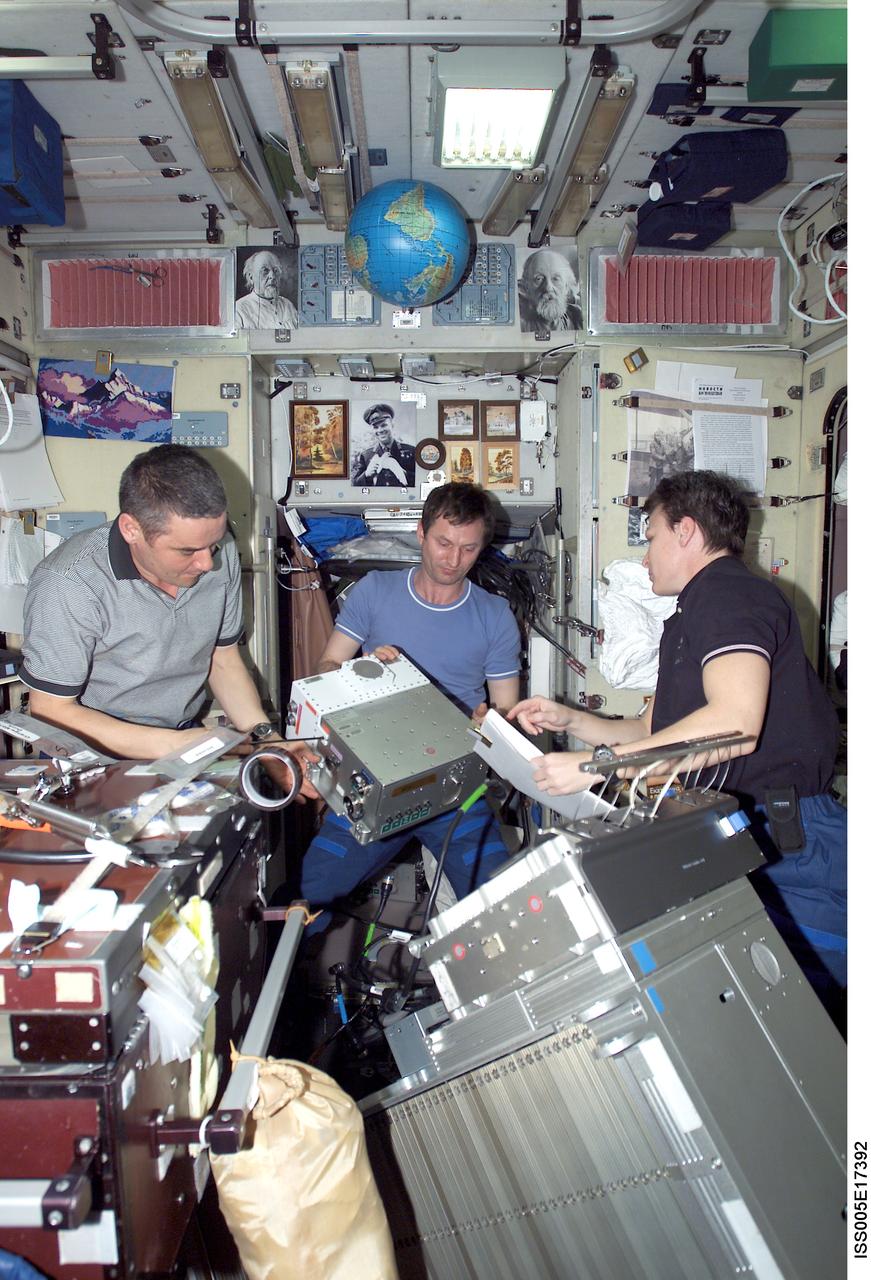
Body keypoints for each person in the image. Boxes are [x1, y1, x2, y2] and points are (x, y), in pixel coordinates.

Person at [509, 470, 846, 1026]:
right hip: (743, 831)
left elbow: (735, 723)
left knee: (813, 1023)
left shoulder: (729, 594)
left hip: (793, 844)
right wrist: (570, 719)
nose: (645, 558)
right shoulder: (691, 615)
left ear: (686, 531)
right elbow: (651, 730)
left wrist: (598, 768)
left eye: (650, 537)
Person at [21, 443, 317, 788]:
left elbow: (222, 659)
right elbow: (50, 710)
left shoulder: (219, 556)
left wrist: (268, 743)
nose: (208, 564)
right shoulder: (69, 583)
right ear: (132, 529)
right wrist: (174, 746)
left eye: (214, 544)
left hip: (180, 737)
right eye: (187, 551)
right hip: (88, 757)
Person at [300, 481, 521, 916]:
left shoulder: (494, 615)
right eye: (443, 543)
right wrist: (361, 673)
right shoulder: (374, 592)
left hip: (454, 785)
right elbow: (325, 670)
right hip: (374, 776)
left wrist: (492, 722)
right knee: (311, 899)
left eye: (468, 549)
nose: (453, 560)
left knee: (500, 906)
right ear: (420, 532)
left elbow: (506, 712)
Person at [518, 248, 583, 333]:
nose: (548, 288)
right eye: (539, 279)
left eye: (556, 279)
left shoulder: (576, 316)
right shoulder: (519, 324)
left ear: (566, 287)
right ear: (527, 287)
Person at [351, 403, 416, 487]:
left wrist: (403, 473)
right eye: (375, 427)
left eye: (384, 425)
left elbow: (421, 480)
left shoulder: (411, 451)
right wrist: (366, 475)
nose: (380, 430)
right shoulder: (366, 455)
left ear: (392, 425)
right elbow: (355, 485)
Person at [234, 249, 298, 330]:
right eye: (265, 270)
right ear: (251, 277)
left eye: (276, 271)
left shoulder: (287, 305)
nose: (272, 276)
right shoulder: (239, 310)